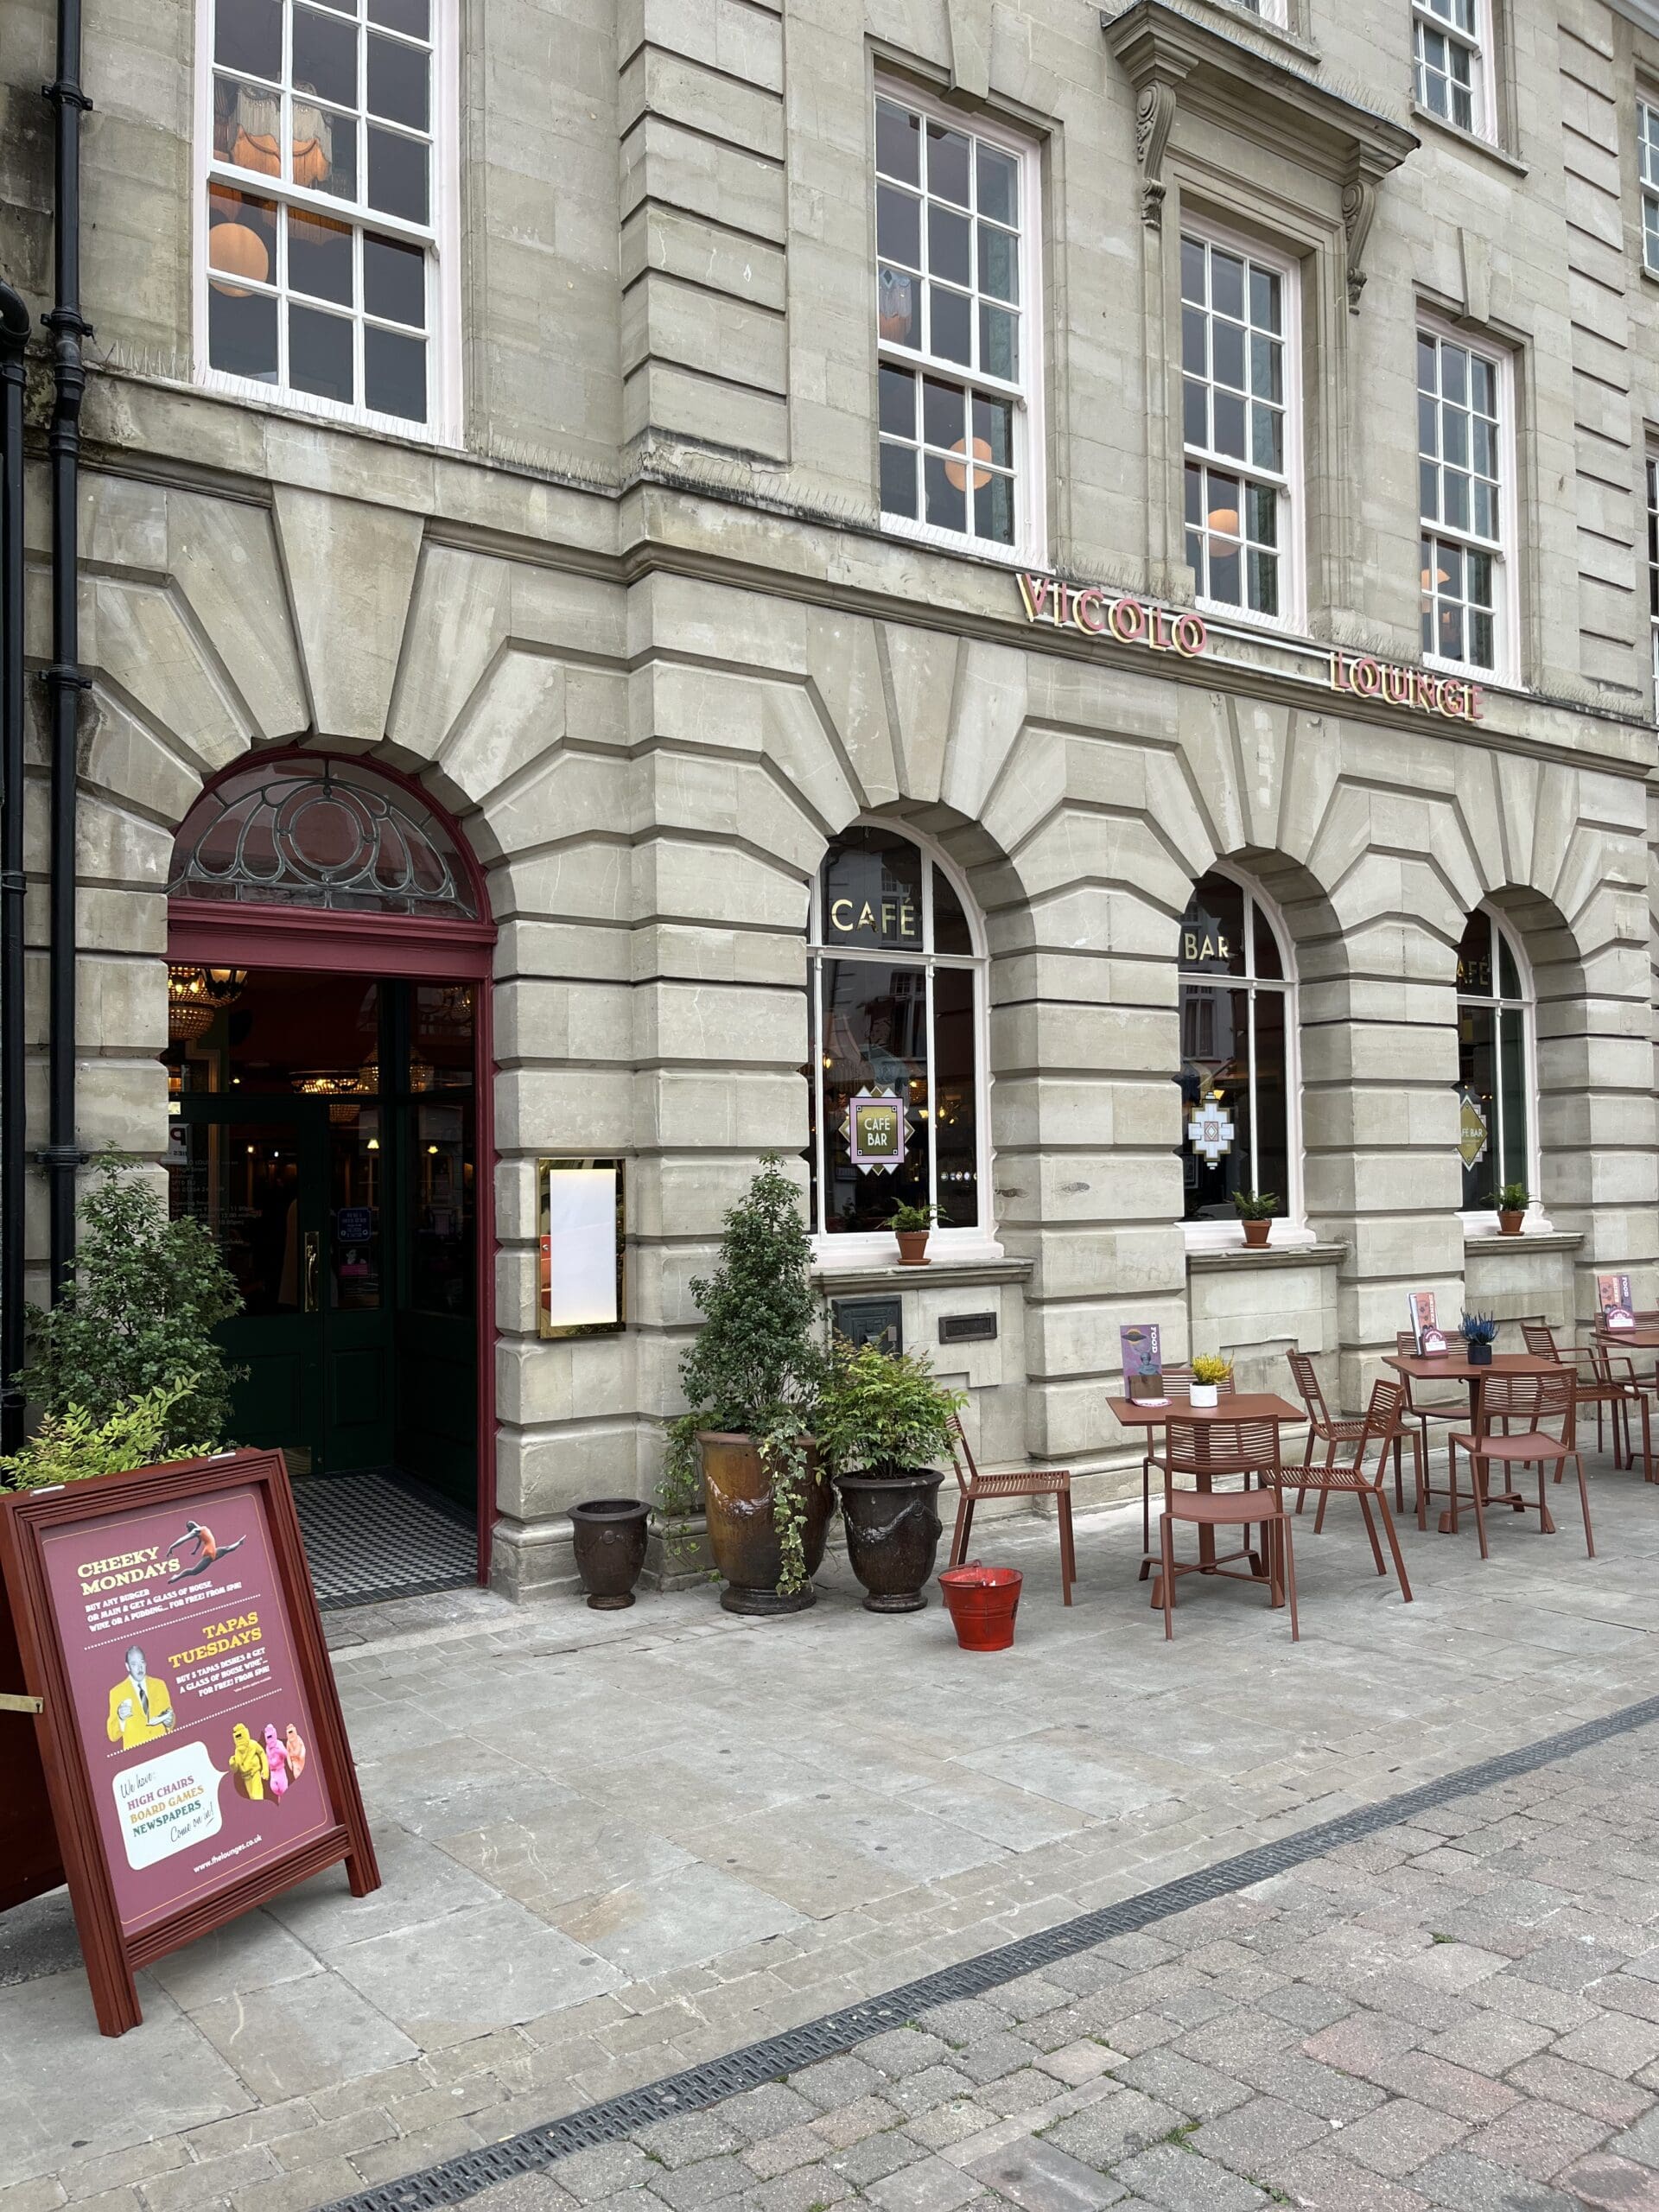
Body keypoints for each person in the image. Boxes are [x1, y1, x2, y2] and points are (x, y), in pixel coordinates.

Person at [105, 1647, 175, 1749]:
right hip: (138, 1757)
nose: (139, 1668)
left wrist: (169, 1722)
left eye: (141, 1662)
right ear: (127, 1666)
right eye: (134, 1664)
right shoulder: (117, 1692)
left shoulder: (160, 1685)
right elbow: (113, 1735)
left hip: (163, 1749)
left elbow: (170, 1718)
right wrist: (121, 1718)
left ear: (145, 1664)